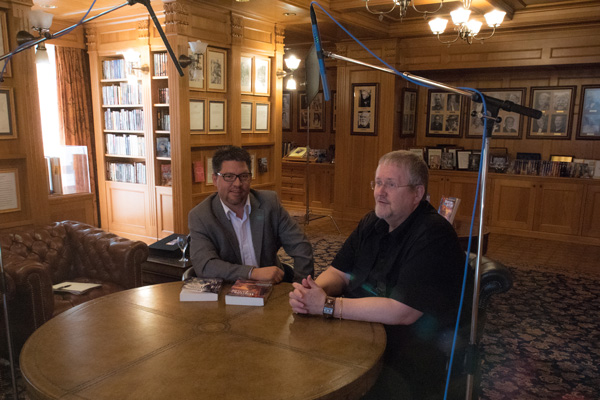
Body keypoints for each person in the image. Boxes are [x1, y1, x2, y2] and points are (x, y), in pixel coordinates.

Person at [289, 150, 468, 399]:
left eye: (391, 185)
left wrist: (327, 305)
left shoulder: (433, 233)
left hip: (406, 351)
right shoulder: (371, 222)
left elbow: (403, 311)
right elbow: (339, 272)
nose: (380, 192)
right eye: (378, 183)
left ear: (417, 193)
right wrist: (312, 292)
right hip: (357, 331)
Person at [189, 145, 314, 283]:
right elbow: (205, 266)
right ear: (214, 179)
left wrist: (301, 287)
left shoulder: (269, 203)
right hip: (228, 292)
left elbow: (300, 246)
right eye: (228, 176)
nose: (237, 183)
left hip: (271, 289)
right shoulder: (201, 216)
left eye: (243, 176)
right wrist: (251, 273)